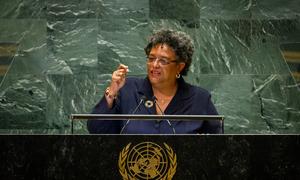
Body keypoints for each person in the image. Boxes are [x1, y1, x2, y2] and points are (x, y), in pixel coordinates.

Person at [87, 29, 222, 134]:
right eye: (151, 58)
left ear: (180, 66)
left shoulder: (200, 99)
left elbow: (218, 145)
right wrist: (112, 92)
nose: (154, 65)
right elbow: (96, 130)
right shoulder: (128, 89)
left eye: (163, 60)